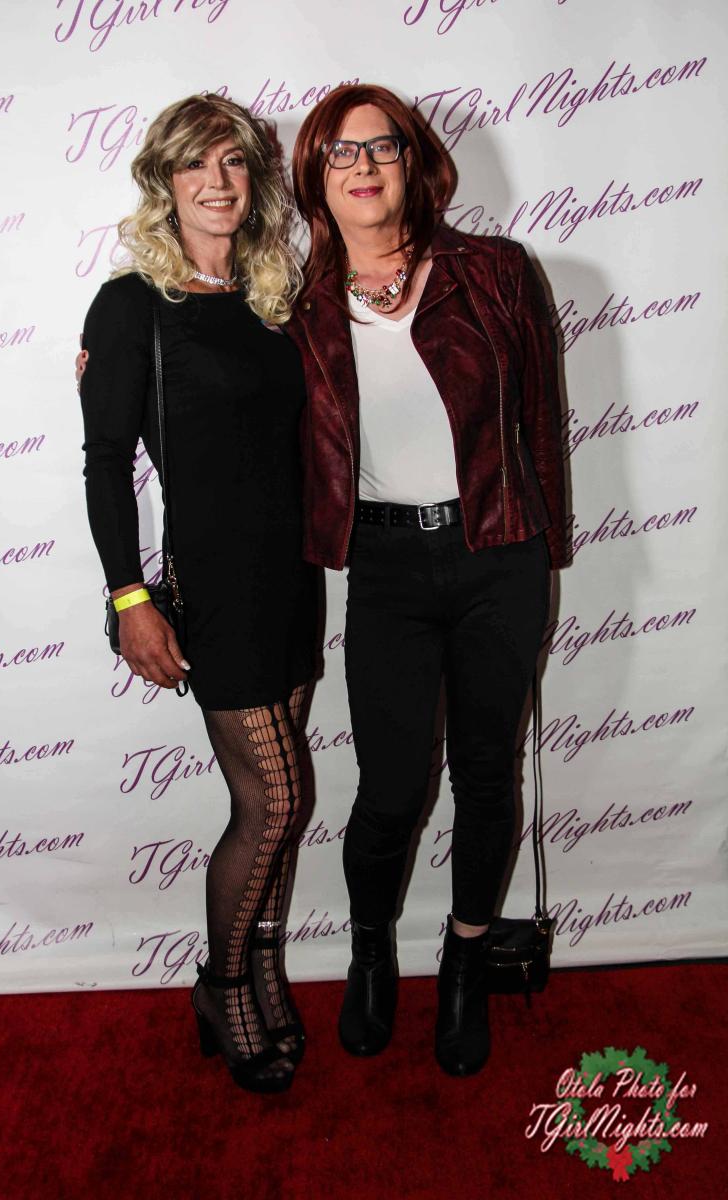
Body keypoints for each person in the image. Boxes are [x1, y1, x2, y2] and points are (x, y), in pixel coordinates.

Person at [287, 83, 570, 1076]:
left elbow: (541, 419)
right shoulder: (298, 310)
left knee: (487, 775)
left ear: (415, 163)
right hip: (386, 567)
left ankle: (463, 961)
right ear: (316, 179)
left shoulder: (494, 271)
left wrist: (543, 544)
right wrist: (120, 363)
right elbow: (223, 397)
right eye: (339, 152)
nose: (362, 166)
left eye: (382, 146)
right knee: (392, 785)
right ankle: (370, 951)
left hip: (498, 552)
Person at [78, 94, 319, 1094]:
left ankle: (263, 965)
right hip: (212, 586)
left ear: (254, 179)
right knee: (277, 798)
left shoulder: (275, 296)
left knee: (275, 808)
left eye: (233, 163)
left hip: (293, 577)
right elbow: (104, 464)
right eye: (194, 166)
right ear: (165, 182)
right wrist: (128, 598)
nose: (216, 183)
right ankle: (222, 985)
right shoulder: (132, 305)